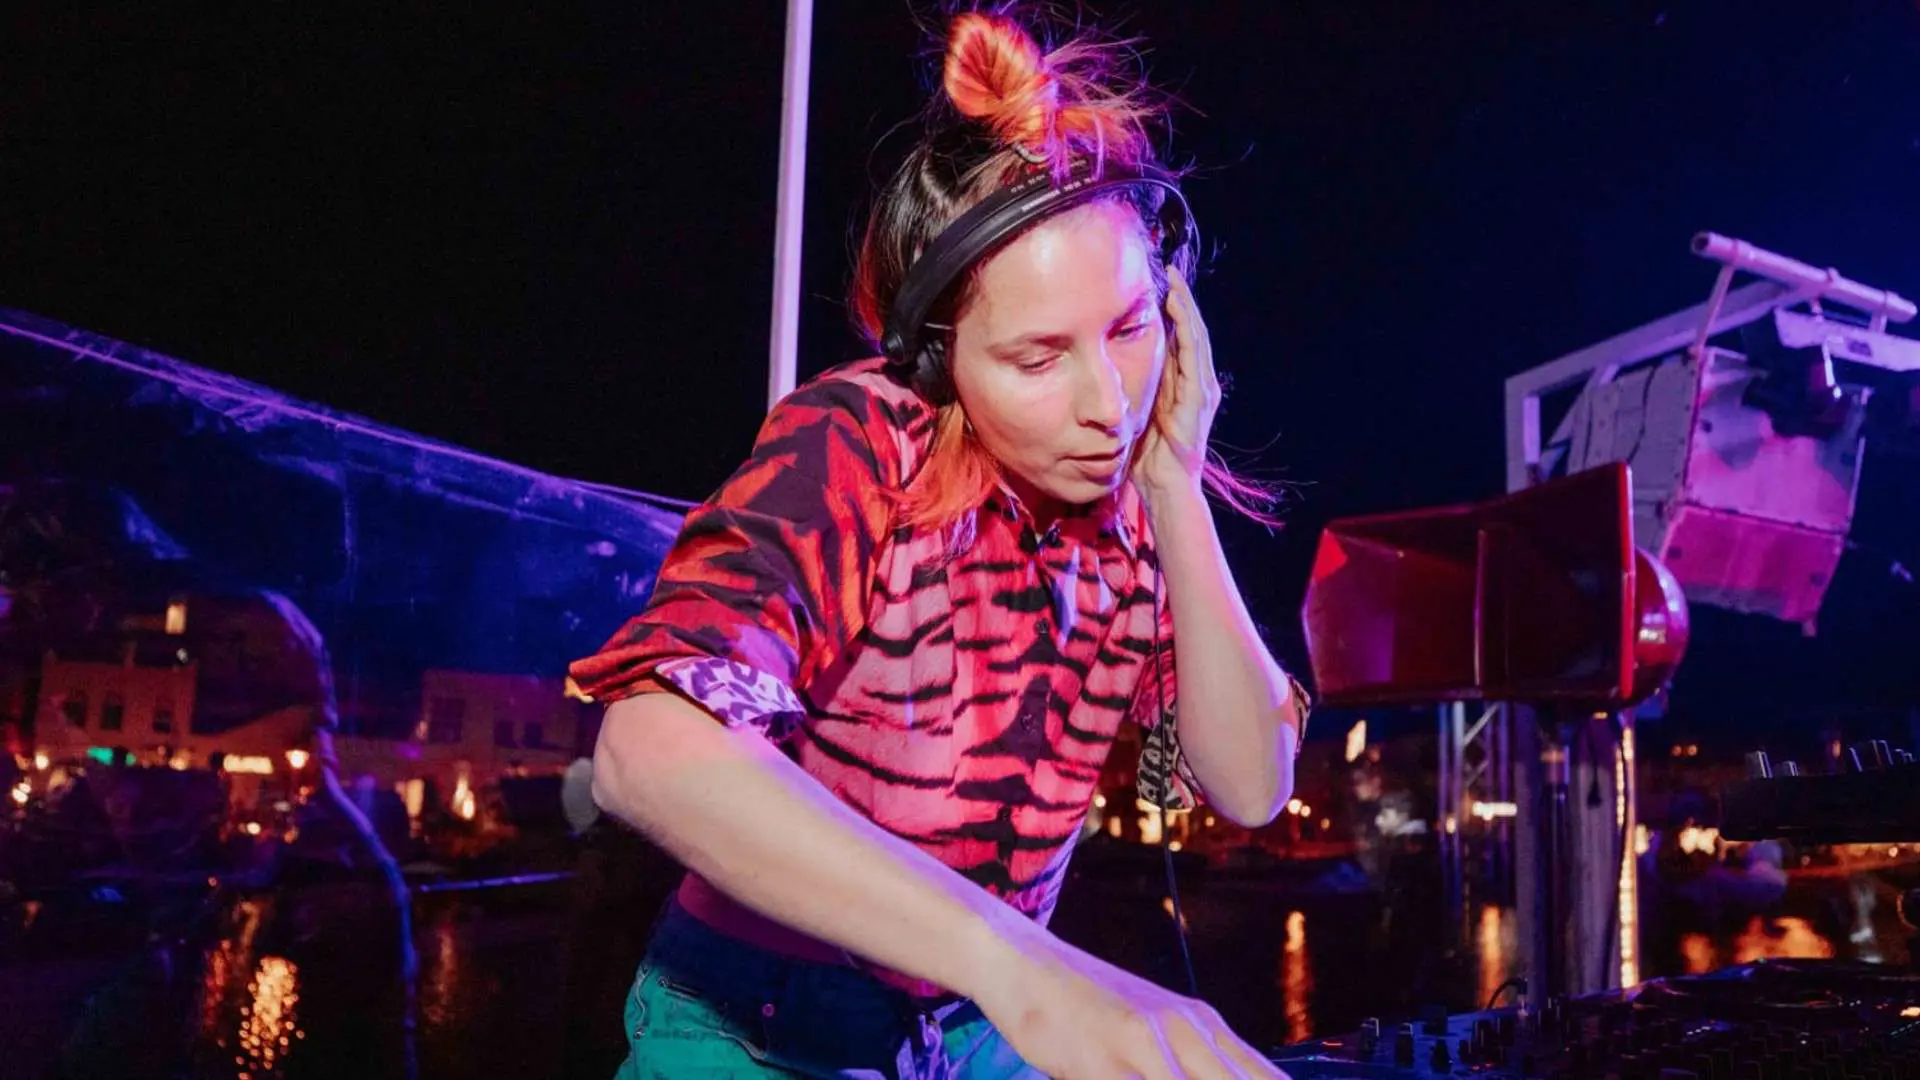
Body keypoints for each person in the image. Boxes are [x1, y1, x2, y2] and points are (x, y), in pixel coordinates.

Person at [574, 8, 1311, 1078]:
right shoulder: (858, 441)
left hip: (974, 1019)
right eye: (1037, 358)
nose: (1108, 406)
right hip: (758, 1019)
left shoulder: (1136, 497)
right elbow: (643, 749)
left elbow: (1249, 785)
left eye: (1129, 327)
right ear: (937, 357)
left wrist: (1176, 485)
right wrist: (1028, 972)